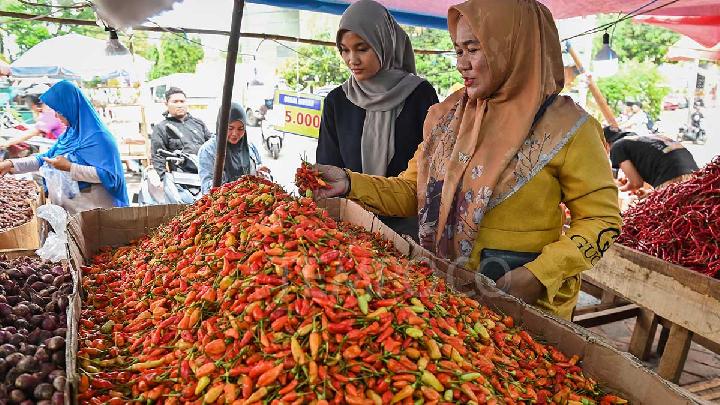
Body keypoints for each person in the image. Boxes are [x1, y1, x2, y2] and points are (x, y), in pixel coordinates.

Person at [314, 0, 621, 320]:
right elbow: (410, 192)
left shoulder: (568, 128)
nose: (462, 64)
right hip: (446, 299)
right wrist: (349, 182)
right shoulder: (447, 118)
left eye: (473, 49)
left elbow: (602, 220)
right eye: (458, 51)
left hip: (524, 308)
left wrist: (540, 274)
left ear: (514, 47)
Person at [316, 0, 439, 239]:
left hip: (407, 233)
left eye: (362, 48)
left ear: (384, 42)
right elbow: (328, 168)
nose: (352, 59)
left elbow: (430, 172)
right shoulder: (336, 102)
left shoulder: (419, 95)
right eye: (344, 49)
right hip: (350, 231)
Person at [0, 81, 128, 214]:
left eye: (59, 111)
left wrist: (69, 167)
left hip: (96, 212)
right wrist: (10, 164)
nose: (56, 116)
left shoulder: (100, 138)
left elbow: (111, 176)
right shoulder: (70, 133)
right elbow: (44, 159)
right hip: (71, 211)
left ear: (70, 108)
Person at [604, 127, 698, 191]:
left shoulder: (617, 146)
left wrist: (620, 189)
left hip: (672, 176)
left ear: (606, 144)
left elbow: (636, 183)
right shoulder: (640, 139)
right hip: (695, 174)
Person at [198, 103, 265, 194]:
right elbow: (206, 190)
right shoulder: (208, 151)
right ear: (221, 126)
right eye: (230, 128)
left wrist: (261, 173)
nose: (235, 133)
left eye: (240, 129)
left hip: (250, 202)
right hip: (221, 204)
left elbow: (260, 173)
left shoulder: (250, 147)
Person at [151, 87, 212, 178]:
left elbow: (212, 145)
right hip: (181, 178)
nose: (179, 105)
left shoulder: (198, 123)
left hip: (205, 173)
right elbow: (158, 156)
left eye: (182, 101)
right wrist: (163, 178)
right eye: (175, 102)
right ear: (166, 104)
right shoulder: (161, 128)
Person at [0, 94, 66, 151]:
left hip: (64, 150)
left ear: (36, 105)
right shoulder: (52, 110)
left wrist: (7, 143)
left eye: (29, 103)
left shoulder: (50, 113)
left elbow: (30, 133)